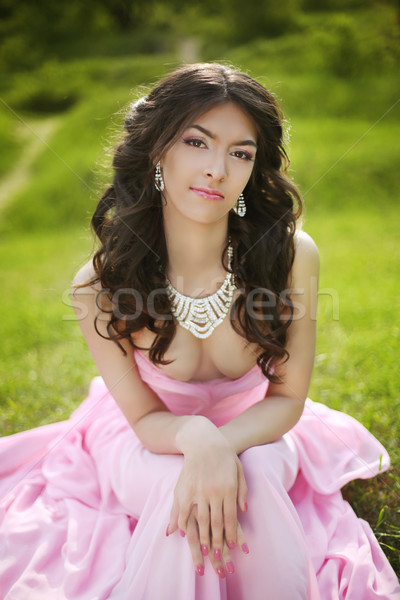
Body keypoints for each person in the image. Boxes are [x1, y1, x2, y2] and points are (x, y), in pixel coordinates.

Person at [0, 63, 398, 600]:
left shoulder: (290, 255)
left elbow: (287, 398)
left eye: (240, 153)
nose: (217, 169)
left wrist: (219, 446)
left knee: (250, 478)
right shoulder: (99, 284)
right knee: (174, 494)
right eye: (197, 142)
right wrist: (194, 439)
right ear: (158, 151)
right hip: (146, 436)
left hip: (258, 424)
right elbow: (142, 416)